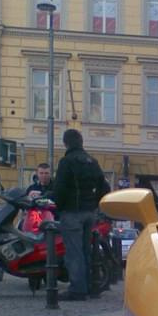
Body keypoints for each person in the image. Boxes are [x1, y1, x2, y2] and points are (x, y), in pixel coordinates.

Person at [53, 129, 109, 301]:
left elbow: (59, 189)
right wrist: (93, 204)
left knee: (74, 252)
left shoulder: (67, 161)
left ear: (66, 143)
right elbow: (104, 188)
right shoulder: (92, 162)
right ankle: (90, 286)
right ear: (81, 142)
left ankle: (77, 289)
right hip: (89, 213)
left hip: (72, 213)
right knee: (86, 251)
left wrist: (59, 208)